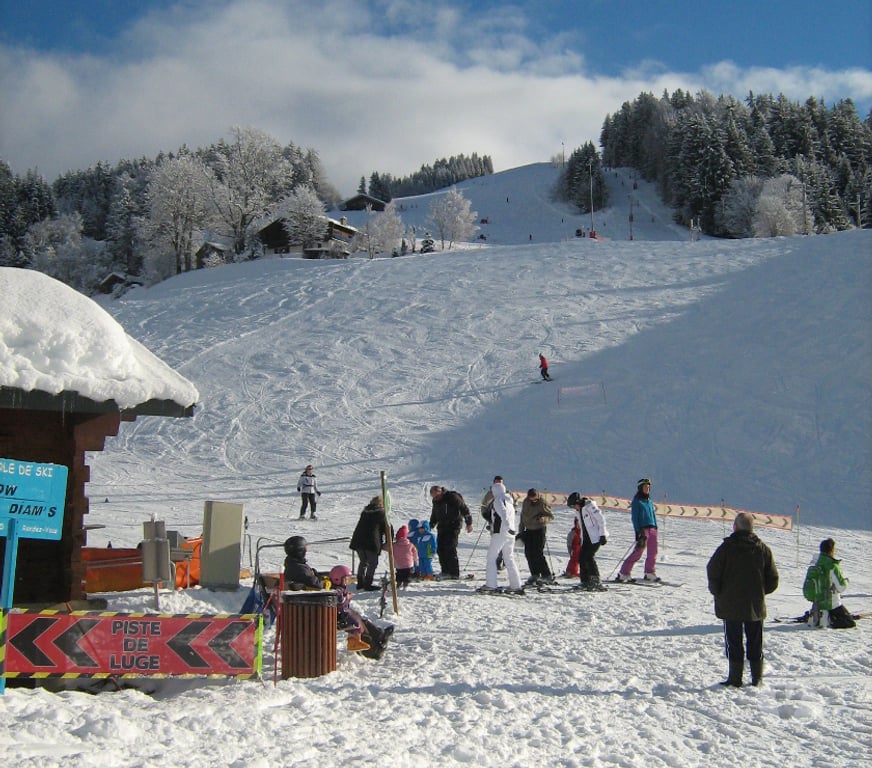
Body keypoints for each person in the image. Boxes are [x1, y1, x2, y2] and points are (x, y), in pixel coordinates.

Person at [706, 512, 779, 687]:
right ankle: (757, 678)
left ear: (735, 527)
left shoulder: (726, 548)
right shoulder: (762, 549)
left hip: (730, 605)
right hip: (755, 605)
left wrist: (718, 592)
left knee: (734, 641)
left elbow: (712, 570)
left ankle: (735, 678)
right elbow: (773, 578)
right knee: (755, 642)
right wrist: (760, 593)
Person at [480, 476, 523, 593]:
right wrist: (511, 529)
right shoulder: (509, 500)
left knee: (491, 557)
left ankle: (491, 584)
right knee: (509, 558)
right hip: (510, 534)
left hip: (500, 533)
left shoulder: (498, 500)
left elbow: (503, 514)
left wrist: (507, 526)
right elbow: (510, 515)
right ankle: (516, 584)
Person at [616, 478, 659, 582]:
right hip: (643, 529)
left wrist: (656, 526)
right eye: (645, 487)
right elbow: (635, 517)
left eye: (648, 487)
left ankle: (649, 572)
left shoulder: (649, 501)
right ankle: (624, 573)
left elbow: (653, 514)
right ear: (640, 488)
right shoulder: (637, 501)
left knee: (653, 552)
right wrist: (638, 531)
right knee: (638, 552)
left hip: (652, 529)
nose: (647, 489)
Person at [808, 538, 856, 629]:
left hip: (817, 603)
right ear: (831, 550)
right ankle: (829, 620)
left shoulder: (816, 564)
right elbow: (841, 587)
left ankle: (819, 615)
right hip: (832, 604)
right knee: (850, 622)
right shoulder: (832, 566)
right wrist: (846, 581)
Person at [429, 485, 473, 579]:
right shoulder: (436, 501)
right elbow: (434, 514)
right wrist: (430, 525)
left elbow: (464, 509)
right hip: (442, 526)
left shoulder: (452, 497)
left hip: (454, 525)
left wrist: (469, 523)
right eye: (434, 497)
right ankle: (445, 571)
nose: (436, 498)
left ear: (440, 491)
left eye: (437, 496)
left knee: (450, 548)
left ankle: (454, 573)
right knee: (440, 548)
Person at [567, 493, 609, 590]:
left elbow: (601, 519)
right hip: (586, 539)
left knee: (589, 556)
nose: (574, 508)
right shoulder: (579, 511)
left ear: (578, 502)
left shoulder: (590, 506)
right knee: (581, 557)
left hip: (596, 537)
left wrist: (602, 534)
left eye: (574, 506)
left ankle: (596, 580)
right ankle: (585, 580)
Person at [329, 564, 370, 652]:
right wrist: (347, 597)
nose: (347, 582)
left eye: (348, 579)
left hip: (343, 612)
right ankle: (353, 642)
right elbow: (339, 600)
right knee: (355, 624)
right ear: (337, 579)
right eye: (345, 579)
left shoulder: (341, 589)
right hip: (340, 615)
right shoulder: (337, 590)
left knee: (357, 621)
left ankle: (355, 641)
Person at [349, 496, 387, 591]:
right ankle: (368, 583)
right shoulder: (381, 513)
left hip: (359, 540)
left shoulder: (365, 512)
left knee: (363, 561)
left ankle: (360, 582)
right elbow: (386, 528)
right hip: (371, 541)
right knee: (372, 563)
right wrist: (388, 540)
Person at [519, 488, 555, 585]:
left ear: (538, 496)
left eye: (535, 499)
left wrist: (544, 519)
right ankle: (534, 574)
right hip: (528, 530)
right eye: (531, 500)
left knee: (538, 553)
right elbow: (523, 516)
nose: (533, 501)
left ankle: (546, 575)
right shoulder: (526, 502)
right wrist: (521, 531)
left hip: (539, 529)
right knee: (529, 553)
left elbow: (550, 516)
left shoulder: (542, 503)